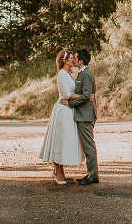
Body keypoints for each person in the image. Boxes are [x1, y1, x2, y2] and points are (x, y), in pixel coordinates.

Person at [39, 49, 82, 184]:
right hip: (63, 111)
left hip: (69, 109)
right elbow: (67, 95)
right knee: (59, 141)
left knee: (65, 142)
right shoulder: (62, 75)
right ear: (64, 61)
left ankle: (60, 172)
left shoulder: (69, 74)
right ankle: (57, 172)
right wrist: (85, 97)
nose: (73, 60)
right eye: (70, 58)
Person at [65, 48, 99, 185]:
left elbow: (86, 95)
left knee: (88, 146)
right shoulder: (82, 73)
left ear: (81, 60)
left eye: (76, 58)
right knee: (87, 146)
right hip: (84, 114)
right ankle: (91, 174)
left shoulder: (86, 74)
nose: (74, 60)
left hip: (86, 115)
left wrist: (71, 103)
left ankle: (93, 176)